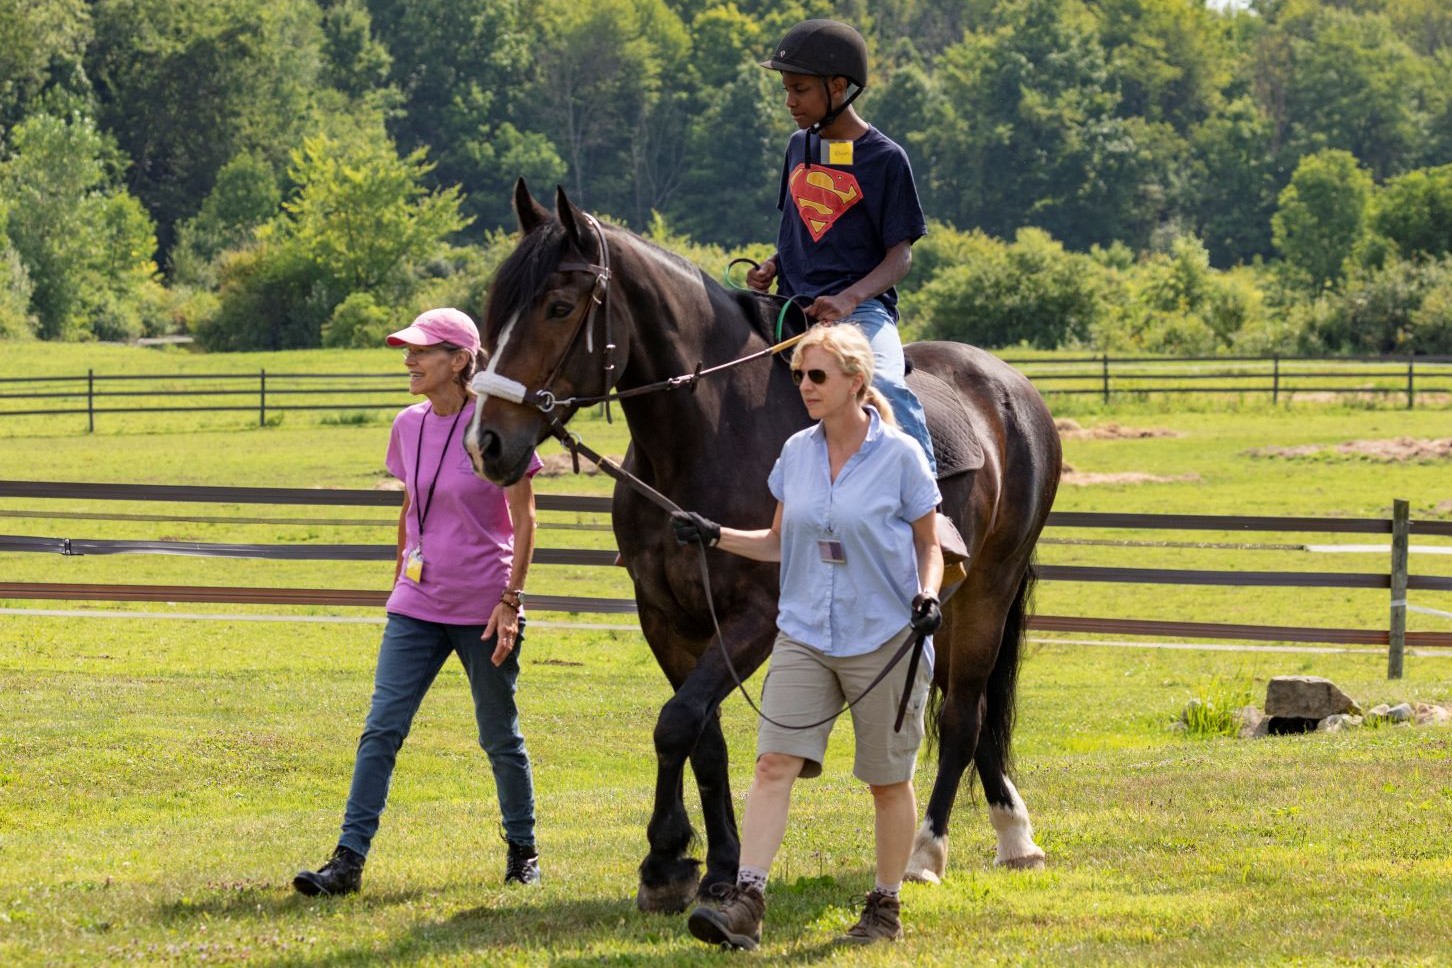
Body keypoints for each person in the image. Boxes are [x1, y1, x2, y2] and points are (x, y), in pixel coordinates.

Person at [671, 325, 944, 949]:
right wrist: (714, 534)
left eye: (816, 376)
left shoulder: (900, 456)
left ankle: (884, 908)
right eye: (799, 376)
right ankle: (748, 901)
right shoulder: (795, 452)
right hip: (805, 631)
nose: (804, 387)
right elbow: (775, 542)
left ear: (855, 380)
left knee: (885, 780)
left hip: (885, 636)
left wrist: (927, 597)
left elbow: (929, 544)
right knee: (773, 763)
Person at [293, 308, 543, 896]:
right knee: (381, 728)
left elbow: (525, 518)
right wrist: (402, 578)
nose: (408, 360)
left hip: (484, 608)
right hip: (415, 604)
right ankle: (347, 862)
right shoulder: (408, 424)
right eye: (406, 350)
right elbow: (411, 508)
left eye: (420, 351)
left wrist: (511, 600)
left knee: (498, 735)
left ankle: (523, 852)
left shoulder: (497, 426)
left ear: (458, 360)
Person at [750, 18, 938, 476]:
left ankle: (933, 512)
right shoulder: (798, 146)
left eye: (799, 89)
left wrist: (850, 297)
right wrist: (773, 264)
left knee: (887, 388)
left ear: (838, 87)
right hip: (787, 308)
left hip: (859, 316)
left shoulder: (886, 159)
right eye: (786, 89)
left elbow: (901, 256)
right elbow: (802, 228)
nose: (789, 101)